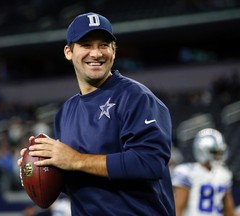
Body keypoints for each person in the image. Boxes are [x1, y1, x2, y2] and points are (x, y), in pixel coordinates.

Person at [18, 12, 175, 215]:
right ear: (68, 52)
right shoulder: (65, 113)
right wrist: (41, 169)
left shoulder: (136, 97)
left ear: (114, 51)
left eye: (104, 45)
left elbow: (150, 162)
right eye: (86, 45)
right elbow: (84, 182)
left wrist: (75, 160)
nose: (96, 53)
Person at [172, 128, 235, 216]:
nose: (218, 156)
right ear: (203, 150)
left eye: (220, 152)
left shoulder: (224, 174)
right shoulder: (188, 173)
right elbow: (178, 208)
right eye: (215, 152)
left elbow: (229, 211)